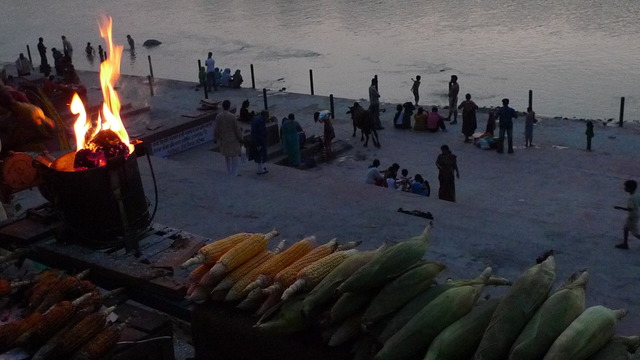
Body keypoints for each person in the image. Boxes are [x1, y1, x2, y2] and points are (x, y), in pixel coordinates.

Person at [214, 100, 244, 176]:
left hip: (223, 139)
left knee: (227, 156)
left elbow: (216, 129)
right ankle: (234, 173)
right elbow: (237, 129)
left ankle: (228, 171)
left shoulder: (218, 116)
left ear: (223, 106)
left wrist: (215, 138)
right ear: (229, 106)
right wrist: (241, 138)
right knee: (235, 156)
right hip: (233, 139)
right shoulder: (232, 116)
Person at [614, 180, 640, 249]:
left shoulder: (631, 199)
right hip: (635, 215)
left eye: (626, 187)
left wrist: (619, 207)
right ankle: (625, 244)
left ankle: (625, 244)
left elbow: (630, 209)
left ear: (629, 189)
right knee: (626, 229)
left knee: (635, 233)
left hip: (632, 217)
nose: (624, 188)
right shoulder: (636, 196)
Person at [251, 110, 269, 174]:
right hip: (260, 140)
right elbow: (261, 133)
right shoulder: (261, 121)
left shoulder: (255, 119)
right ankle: (261, 170)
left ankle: (261, 168)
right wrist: (260, 143)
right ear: (265, 115)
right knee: (261, 154)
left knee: (258, 155)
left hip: (254, 139)